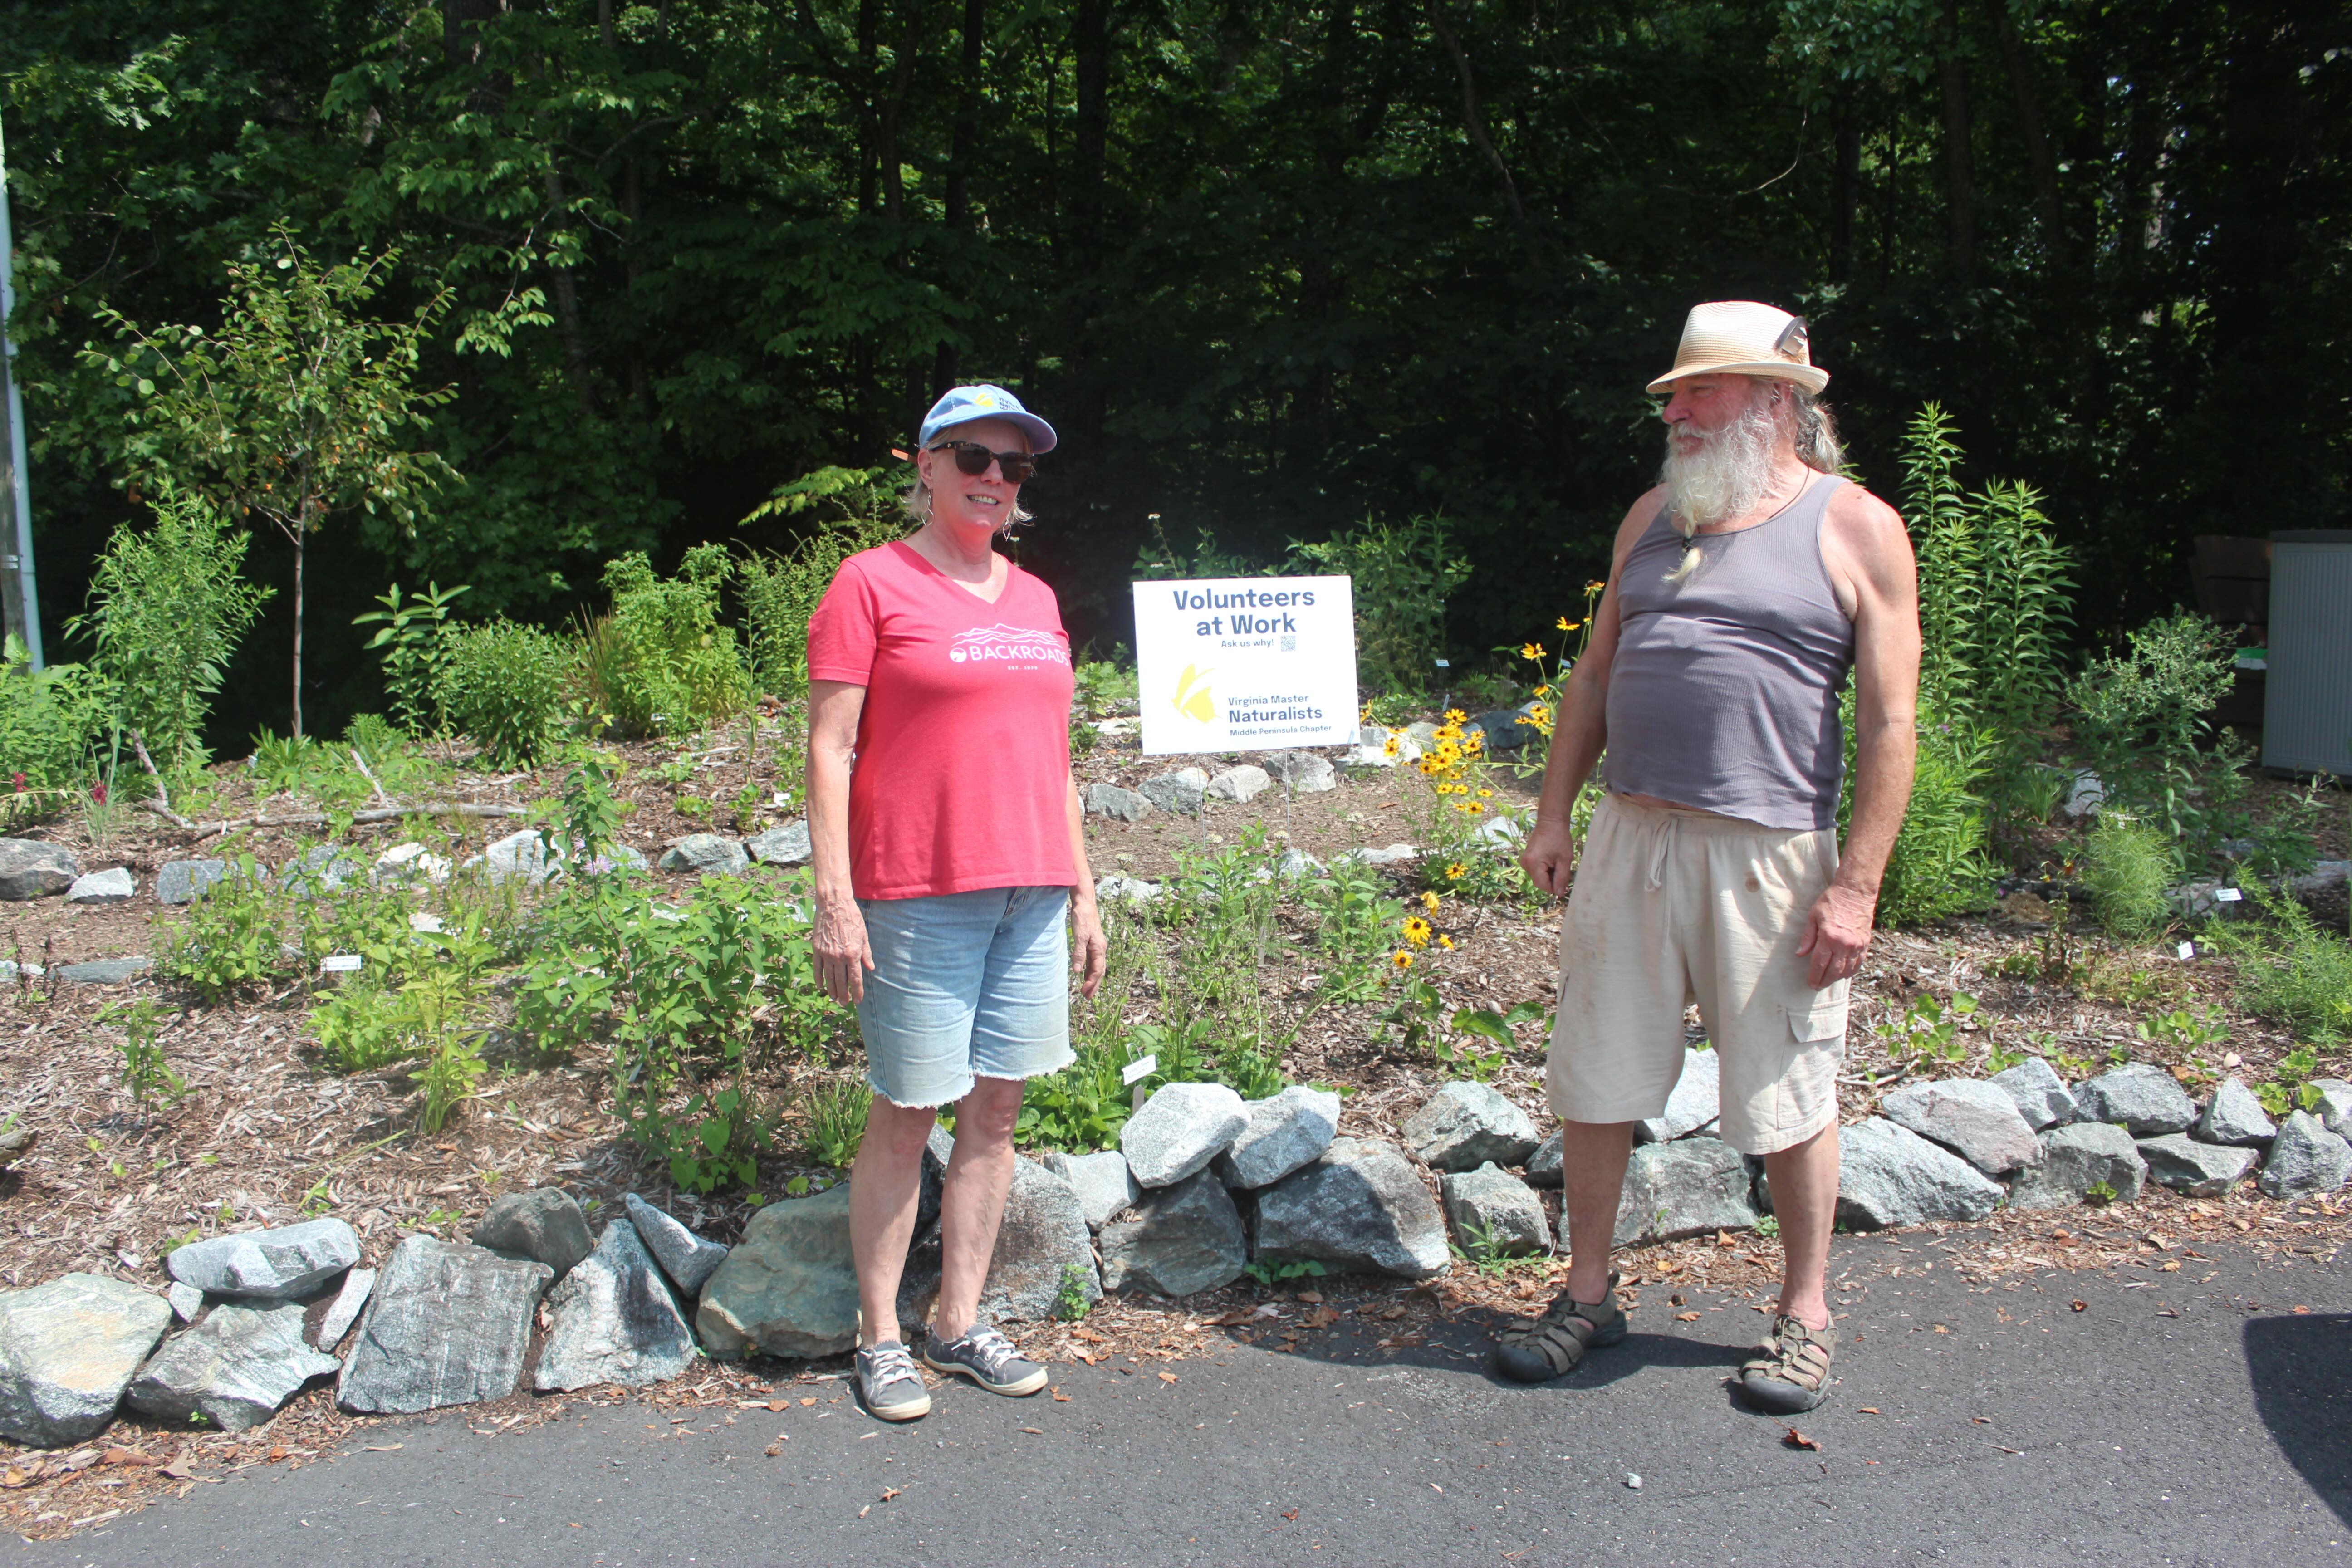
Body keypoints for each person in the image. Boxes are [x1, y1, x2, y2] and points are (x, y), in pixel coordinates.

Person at [1497, 302, 1921, 1414]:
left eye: (1701, 392)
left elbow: (1889, 725)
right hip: (1632, 837)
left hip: (1771, 855)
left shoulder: (1858, 526)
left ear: (1776, 401)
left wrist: (1858, 886)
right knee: (1594, 1076)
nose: (1677, 412)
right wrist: (1554, 816)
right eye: (1676, 396)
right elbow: (1594, 676)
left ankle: (1805, 1317)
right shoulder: (1651, 517)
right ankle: (1587, 1297)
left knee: (1788, 1087)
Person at [805, 384, 1109, 1422]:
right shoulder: (870, 583)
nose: (994, 478)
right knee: (907, 1113)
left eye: (1014, 466)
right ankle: (880, 1337)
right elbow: (831, 746)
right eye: (974, 456)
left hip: (1029, 891)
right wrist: (834, 900)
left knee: (998, 1111)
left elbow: (1056, 760)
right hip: (917, 892)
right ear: (927, 465)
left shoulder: (1035, 599)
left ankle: (958, 1320)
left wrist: (1085, 889)